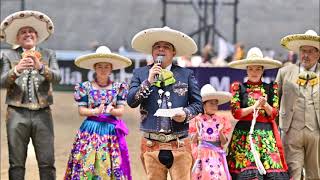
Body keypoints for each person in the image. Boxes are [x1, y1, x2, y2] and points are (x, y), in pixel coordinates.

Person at [127, 26, 203, 180]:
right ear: (152, 51)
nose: (161, 50)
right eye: (157, 47)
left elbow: (198, 104)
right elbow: (131, 101)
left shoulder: (186, 74)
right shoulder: (140, 73)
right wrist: (148, 81)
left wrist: (185, 114)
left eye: (166, 47)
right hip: (151, 144)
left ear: (173, 52)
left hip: (180, 142)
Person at [0, 10, 60, 180]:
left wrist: (41, 67)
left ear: (37, 35)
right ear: (18, 38)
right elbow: (2, 82)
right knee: (16, 163)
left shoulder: (48, 54)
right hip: (16, 113)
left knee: (47, 162)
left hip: (43, 113)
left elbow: (57, 78)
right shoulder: (9, 55)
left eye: (31, 31)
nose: (28, 34)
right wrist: (16, 69)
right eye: (23, 32)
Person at [64, 46, 132, 179]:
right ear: (94, 68)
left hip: (110, 131)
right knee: (87, 161)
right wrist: (95, 111)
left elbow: (121, 111)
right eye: (100, 66)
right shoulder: (85, 87)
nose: (103, 69)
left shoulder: (118, 88)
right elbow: (81, 111)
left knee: (108, 163)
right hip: (90, 130)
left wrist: (112, 110)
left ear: (111, 69)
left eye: (106, 66)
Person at [227, 47, 290, 179]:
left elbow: (274, 113)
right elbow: (236, 113)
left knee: (271, 173)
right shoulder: (238, 88)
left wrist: (265, 104)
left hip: (266, 135)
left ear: (262, 70)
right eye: (250, 68)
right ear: (246, 69)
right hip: (244, 135)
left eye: (257, 69)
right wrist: (254, 107)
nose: (254, 72)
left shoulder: (271, 88)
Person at [276, 30, 320, 180]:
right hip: (291, 132)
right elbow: (275, 101)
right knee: (292, 174)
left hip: (317, 133)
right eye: (303, 51)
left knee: (315, 174)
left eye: (309, 51)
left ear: (318, 54)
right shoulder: (284, 72)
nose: (305, 55)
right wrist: (274, 131)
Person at [189, 84, 232, 180]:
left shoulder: (222, 120)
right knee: (205, 175)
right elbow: (193, 140)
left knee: (218, 176)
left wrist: (220, 132)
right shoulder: (196, 120)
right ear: (203, 104)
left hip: (217, 155)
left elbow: (224, 142)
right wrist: (198, 132)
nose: (214, 106)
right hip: (202, 155)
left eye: (216, 103)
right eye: (211, 103)